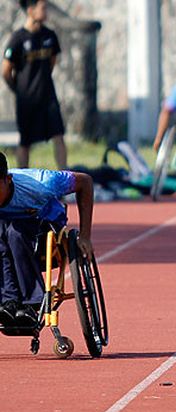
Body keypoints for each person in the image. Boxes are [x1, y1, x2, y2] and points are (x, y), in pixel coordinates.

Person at [0, 151, 94, 328]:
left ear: (8, 179)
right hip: (7, 236)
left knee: (15, 233)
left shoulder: (42, 183)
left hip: (44, 229)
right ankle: (8, 302)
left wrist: (85, 236)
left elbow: (85, 181)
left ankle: (32, 302)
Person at [2, 0, 67, 170]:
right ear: (31, 11)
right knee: (25, 141)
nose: (46, 11)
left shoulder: (50, 36)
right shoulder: (17, 39)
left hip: (48, 97)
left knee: (58, 135)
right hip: (27, 100)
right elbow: (6, 71)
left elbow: (52, 62)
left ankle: (66, 181)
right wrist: (19, 90)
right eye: (42, 8)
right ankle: (22, 181)